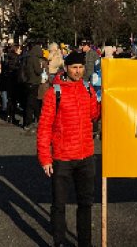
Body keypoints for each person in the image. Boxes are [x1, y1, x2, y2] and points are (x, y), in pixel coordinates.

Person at [37, 51, 100, 247]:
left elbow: (94, 115)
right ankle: (59, 242)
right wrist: (45, 157)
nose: (78, 71)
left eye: (81, 67)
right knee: (59, 205)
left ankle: (85, 243)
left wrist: (106, 99)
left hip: (86, 156)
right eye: (74, 67)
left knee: (85, 205)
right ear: (66, 68)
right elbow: (45, 127)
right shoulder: (54, 92)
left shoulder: (88, 89)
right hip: (62, 158)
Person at [21, 42, 46, 132]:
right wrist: (42, 67)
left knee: (29, 102)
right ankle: (29, 122)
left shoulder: (27, 57)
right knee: (32, 103)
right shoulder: (35, 59)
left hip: (27, 82)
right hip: (34, 82)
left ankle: (29, 121)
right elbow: (38, 71)